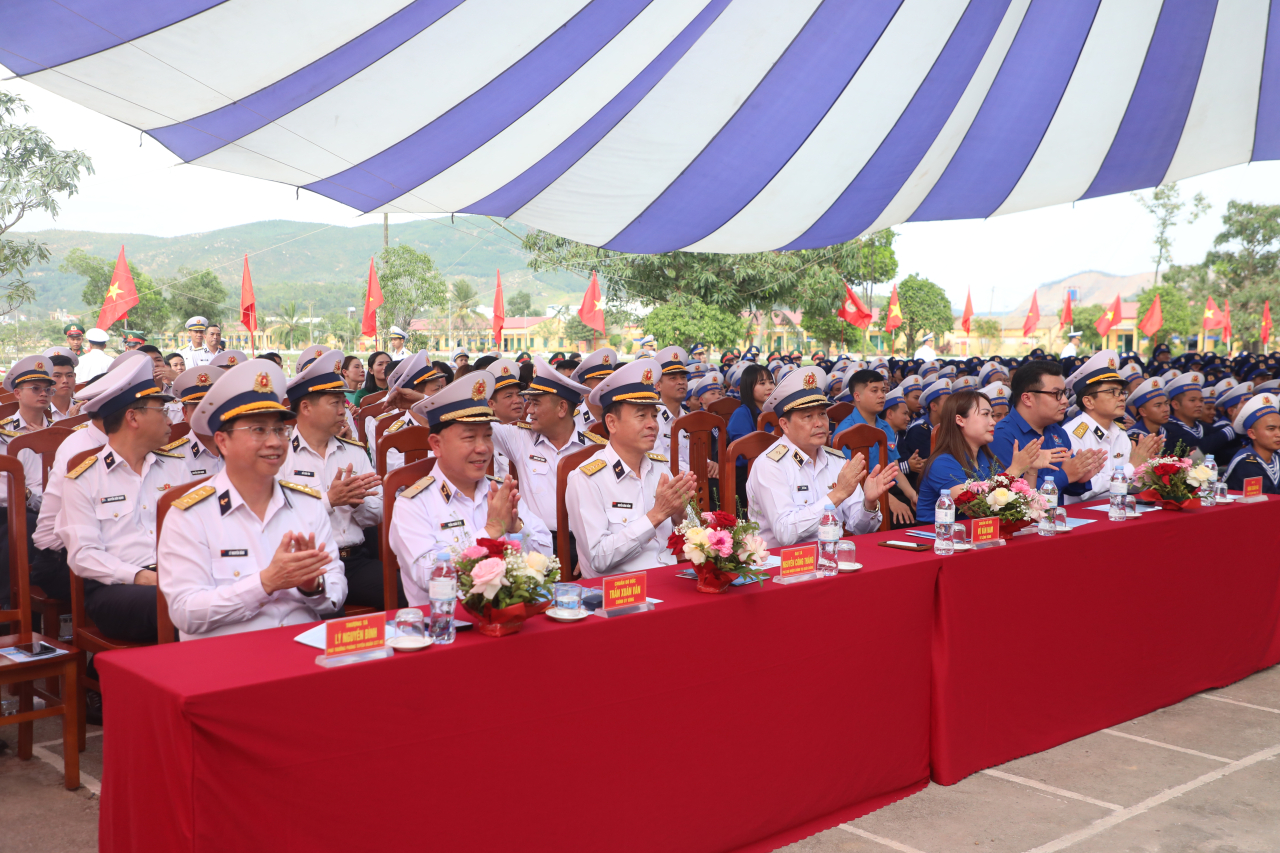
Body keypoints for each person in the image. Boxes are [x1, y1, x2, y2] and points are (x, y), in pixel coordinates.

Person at [158, 359, 347, 640]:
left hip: (303, 648)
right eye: (258, 430)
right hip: (229, 657)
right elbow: (186, 613)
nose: (275, 442)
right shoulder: (191, 515)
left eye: (280, 430)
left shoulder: (307, 505)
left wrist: (312, 586)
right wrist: (265, 583)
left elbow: (336, 591)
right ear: (223, 441)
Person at [389, 371, 551, 606]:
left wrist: (517, 527)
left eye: (487, 436)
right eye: (469, 438)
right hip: (448, 622)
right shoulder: (413, 504)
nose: (483, 448)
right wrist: (491, 531)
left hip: (511, 615)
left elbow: (546, 557)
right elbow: (429, 575)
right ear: (436, 445)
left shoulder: (500, 492)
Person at [56, 354, 187, 642]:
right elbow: (83, 555)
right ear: (133, 417)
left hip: (179, 577)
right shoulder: (85, 478)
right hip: (116, 589)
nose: (170, 420)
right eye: (161, 411)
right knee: (177, 603)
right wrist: (141, 576)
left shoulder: (179, 468)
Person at [285, 351, 398, 610]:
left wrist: (357, 504)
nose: (343, 410)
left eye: (343, 403)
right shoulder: (281, 456)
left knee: (406, 595)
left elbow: (378, 514)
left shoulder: (353, 452)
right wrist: (329, 501)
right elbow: (277, 521)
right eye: (335, 403)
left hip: (354, 560)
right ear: (306, 408)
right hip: (308, 564)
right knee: (325, 614)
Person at [566, 359, 698, 577]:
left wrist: (681, 514)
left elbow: (695, 536)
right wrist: (656, 516)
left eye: (654, 415)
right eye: (641, 415)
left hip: (669, 580)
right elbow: (598, 558)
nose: (652, 424)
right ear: (612, 423)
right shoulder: (587, 479)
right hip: (622, 590)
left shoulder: (660, 468)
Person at [746, 366, 895, 548]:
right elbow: (785, 533)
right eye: (808, 416)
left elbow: (860, 529)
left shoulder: (836, 460)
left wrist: (869, 504)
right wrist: (837, 494)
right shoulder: (770, 465)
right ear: (784, 424)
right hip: (785, 562)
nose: (819, 423)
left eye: (822, 414)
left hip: (831, 557)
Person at [491, 357, 606, 538]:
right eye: (529, 402)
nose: (529, 410)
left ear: (562, 408)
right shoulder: (520, 438)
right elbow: (479, 425)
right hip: (534, 541)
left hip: (583, 541)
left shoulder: (596, 449)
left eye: (535, 403)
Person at [916, 390, 1048, 523]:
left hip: (978, 533)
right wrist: (1015, 469)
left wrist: (1030, 468)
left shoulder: (986, 458)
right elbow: (979, 510)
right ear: (960, 420)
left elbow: (1019, 506)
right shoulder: (942, 463)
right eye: (985, 414)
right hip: (938, 534)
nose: (993, 422)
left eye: (992, 415)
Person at [990, 361, 1107, 503]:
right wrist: (1066, 475)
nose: (1065, 401)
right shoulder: (1002, 435)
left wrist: (1080, 476)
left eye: (1064, 393)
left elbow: (1067, 487)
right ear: (1027, 399)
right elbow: (1010, 497)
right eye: (1056, 394)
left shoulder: (1057, 431)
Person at [1062, 351, 1162, 503]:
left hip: (1116, 508)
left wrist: (1146, 469)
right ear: (1089, 402)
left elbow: (1128, 486)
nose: (1121, 397)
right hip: (1082, 513)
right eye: (1112, 392)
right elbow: (1083, 490)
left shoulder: (1119, 432)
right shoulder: (1072, 434)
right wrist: (1131, 467)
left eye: (1121, 392)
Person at [835, 369, 918, 525]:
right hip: (860, 497)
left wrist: (912, 494)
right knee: (904, 521)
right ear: (857, 396)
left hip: (888, 490)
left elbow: (894, 468)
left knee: (922, 511)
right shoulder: (846, 433)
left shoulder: (885, 427)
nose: (881, 395)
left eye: (883, 390)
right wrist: (889, 501)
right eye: (874, 391)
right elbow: (854, 480)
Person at [726, 363, 775, 511]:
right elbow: (742, 454)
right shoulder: (742, 414)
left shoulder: (777, 413)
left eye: (771, 382)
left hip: (773, 471)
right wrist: (772, 439)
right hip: (748, 476)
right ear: (748, 387)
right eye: (762, 383)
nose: (769, 387)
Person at [165, 367, 225, 480]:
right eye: (198, 408)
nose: (206, 413)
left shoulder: (241, 449)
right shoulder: (171, 457)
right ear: (185, 413)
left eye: (213, 406)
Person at [1223, 393, 1280, 494]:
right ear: (1252, 434)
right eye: (1271, 429)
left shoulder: (1276, 457)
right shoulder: (1246, 462)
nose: (1278, 434)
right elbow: (1268, 497)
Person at [899, 379, 951, 487]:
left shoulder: (950, 426)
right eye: (948, 402)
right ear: (933, 406)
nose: (952, 405)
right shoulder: (919, 430)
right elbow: (932, 464)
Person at [654, 346, 691, 470]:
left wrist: (708, 464)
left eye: (683, 377)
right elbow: (659, 461)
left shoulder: (689, 419)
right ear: (658, 386)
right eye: (673, 378)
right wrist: (696, 470)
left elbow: (695, 454)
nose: (681, 382)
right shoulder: (652, 419)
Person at [570, 348, 615, 431]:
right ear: (585, 390)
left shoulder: (620, 418)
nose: (609, 390)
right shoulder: (571, 422)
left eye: (611, 383)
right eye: (602, 385)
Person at [1163, 372, 1207, 451]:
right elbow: (1195, 446)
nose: (1199, 404)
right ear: (1175, 405)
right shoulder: (1168, 430)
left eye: (1201, 400)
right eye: (1192, 400)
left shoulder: (1203, 427)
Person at [1126, 377, 1170, 443]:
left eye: (1166, 403)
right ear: (1143, 412)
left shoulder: (1168, 432)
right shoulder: (1132, 439)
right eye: (1158, 406)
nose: (1166, 409)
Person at [44, 348, 80, 422]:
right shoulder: (39, 412)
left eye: (69, 376)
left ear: (75, 376)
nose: (65, 381)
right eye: (57, 376)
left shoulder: (85, 409)